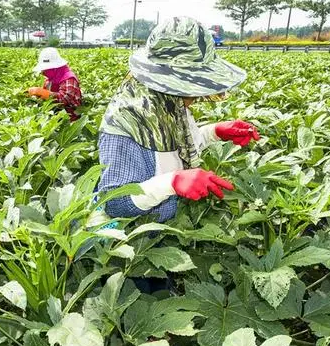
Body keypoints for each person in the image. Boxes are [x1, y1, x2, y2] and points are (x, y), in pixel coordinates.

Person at [97, 17, 260, 225]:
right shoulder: (124, 122)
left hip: (168, 223)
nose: (196, 96)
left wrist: (215, 132)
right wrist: (172, 183)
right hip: (134, 239)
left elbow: (177, 147)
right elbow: (114, 203)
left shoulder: (168, 104)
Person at [28, 47, 82, 121]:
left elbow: (64, 99)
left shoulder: (69, 78)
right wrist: (34, 95)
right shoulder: (49, 79)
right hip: (54, 117)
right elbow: (45, 98)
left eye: (45, 69)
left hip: (70, 120)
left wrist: (43, 92)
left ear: (55, 68)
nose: (42, 72)